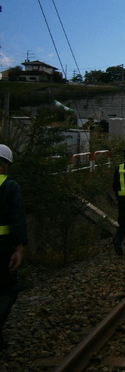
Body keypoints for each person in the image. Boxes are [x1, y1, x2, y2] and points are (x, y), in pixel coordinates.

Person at [0, 144, 27, 350]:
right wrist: (19, 247)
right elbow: (17, 219)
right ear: (6, 165)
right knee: (8, 288)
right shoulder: (9, 186)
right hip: (3, 245)